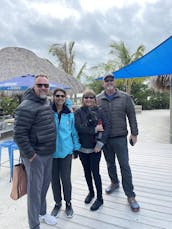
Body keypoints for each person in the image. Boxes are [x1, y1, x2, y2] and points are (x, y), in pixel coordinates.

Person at [14, 75, 57, 229]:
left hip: (48, 153)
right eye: (40, 85)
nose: (43, 88)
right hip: (35, 156)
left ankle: (43, 212)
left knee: (44, 187)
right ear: (34, 86)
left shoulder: (46, 102)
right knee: (34, 192)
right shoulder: (25, 106)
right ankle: (34, 225)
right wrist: (32, 155)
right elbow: (19, 134)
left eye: (46, 85)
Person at [97, 74, 140, 212]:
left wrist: (134, 133)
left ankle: (131, 195)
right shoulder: (98, 99)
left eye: (111, 80)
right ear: (103, 84)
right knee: (110, 163)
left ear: (115, 82)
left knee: (124, 166)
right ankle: (114, 182)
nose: (109, 82)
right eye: (106, 81)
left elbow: (131, 115)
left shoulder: (125, 97)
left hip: (120, 137)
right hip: (105, 138)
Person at [74, 89, 109, 211]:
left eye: (91, 97)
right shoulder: (78, 112)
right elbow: (78, 127)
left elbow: (106, 128)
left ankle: (100, 198)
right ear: (83, 99)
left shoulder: (100, 111)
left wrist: (100, 143)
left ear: (95, 99)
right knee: (86, 172)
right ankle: (91, 192)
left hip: (95, 148)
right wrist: (94, 130)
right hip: (83, 148)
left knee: (95, 172)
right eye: (86, 97)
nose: (88, 99)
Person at [51, 88, 81, 218]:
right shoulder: (47, 112)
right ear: (53, 97)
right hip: (51, 152)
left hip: (66, 152)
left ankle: (68, 203)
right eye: (57, 95)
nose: (60, 98)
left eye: (62, 96)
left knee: (65, 179)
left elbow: (73, 132)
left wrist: (76, 148)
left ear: (65, 97)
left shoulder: (69, 114)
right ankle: (57, 203)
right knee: (54, 180)